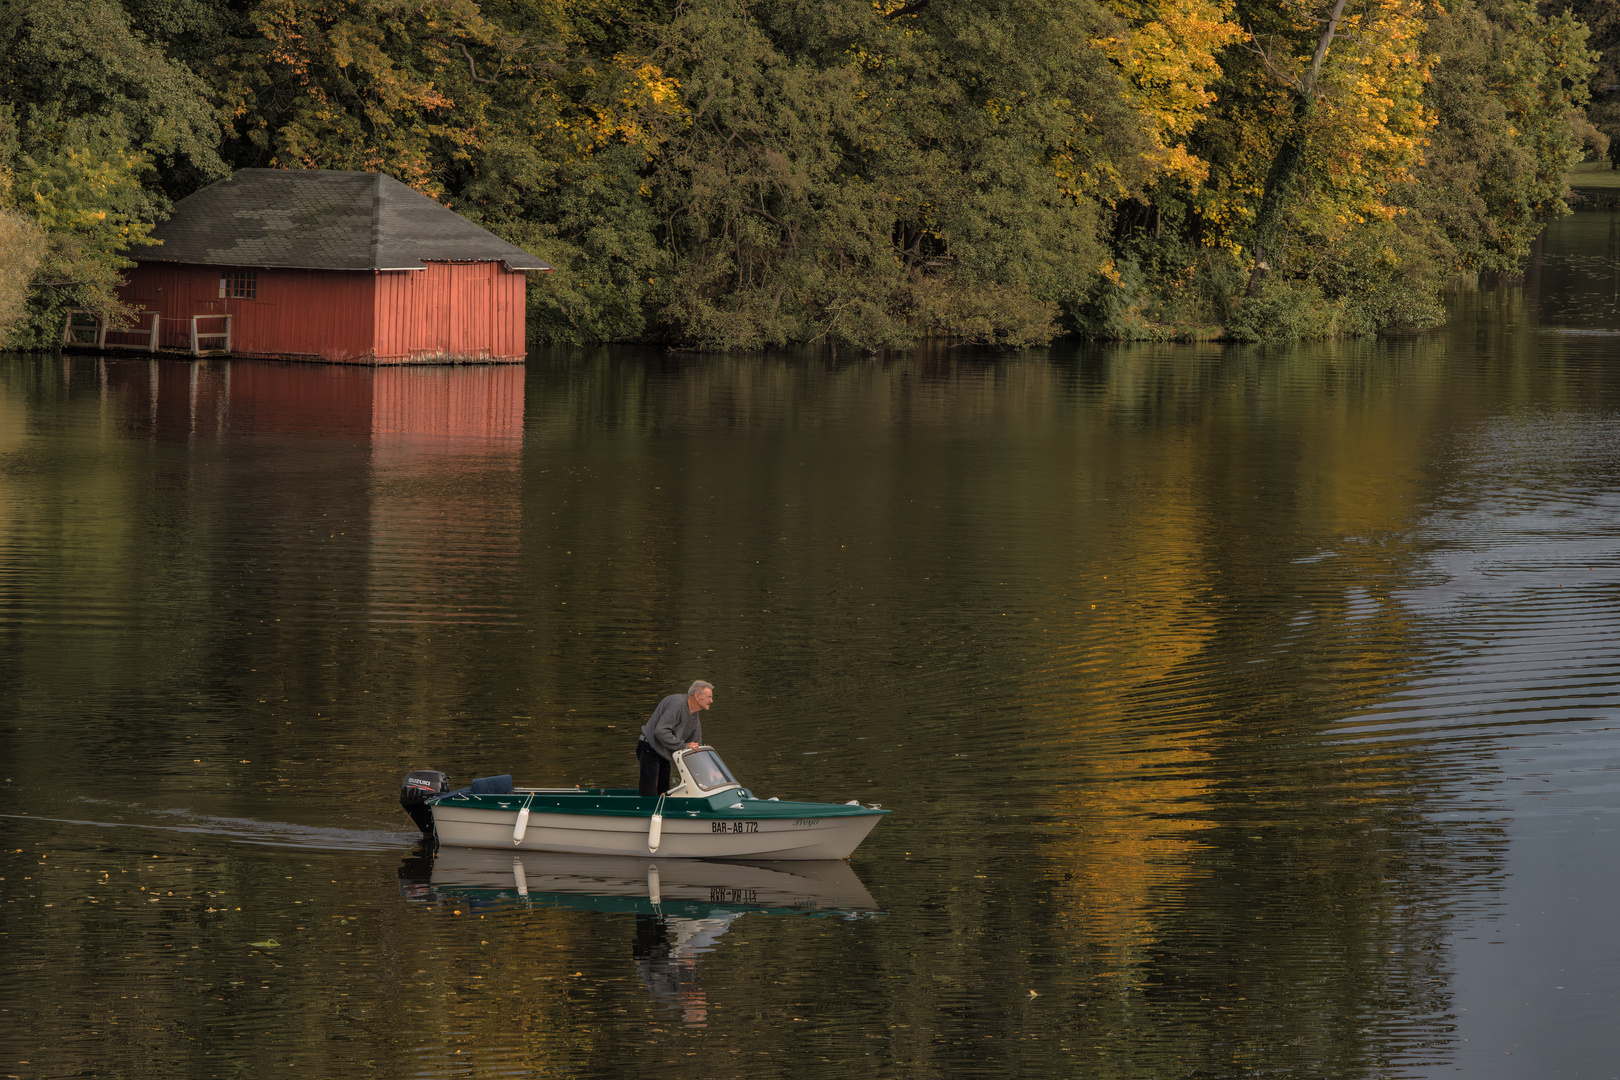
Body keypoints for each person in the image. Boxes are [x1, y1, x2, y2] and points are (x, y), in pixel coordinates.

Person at [637, 681, 714, 797]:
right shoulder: (677, 703)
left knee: (664, 793)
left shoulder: (695, 715)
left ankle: (665, 813)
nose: (711, 701)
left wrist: (710, 770)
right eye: (709, 697)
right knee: (649, 794)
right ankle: (644, 812)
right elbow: (660, 731)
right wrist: (683, 745)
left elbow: (697, 745)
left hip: (664, 752)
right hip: (650, 748)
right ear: (697, 696)